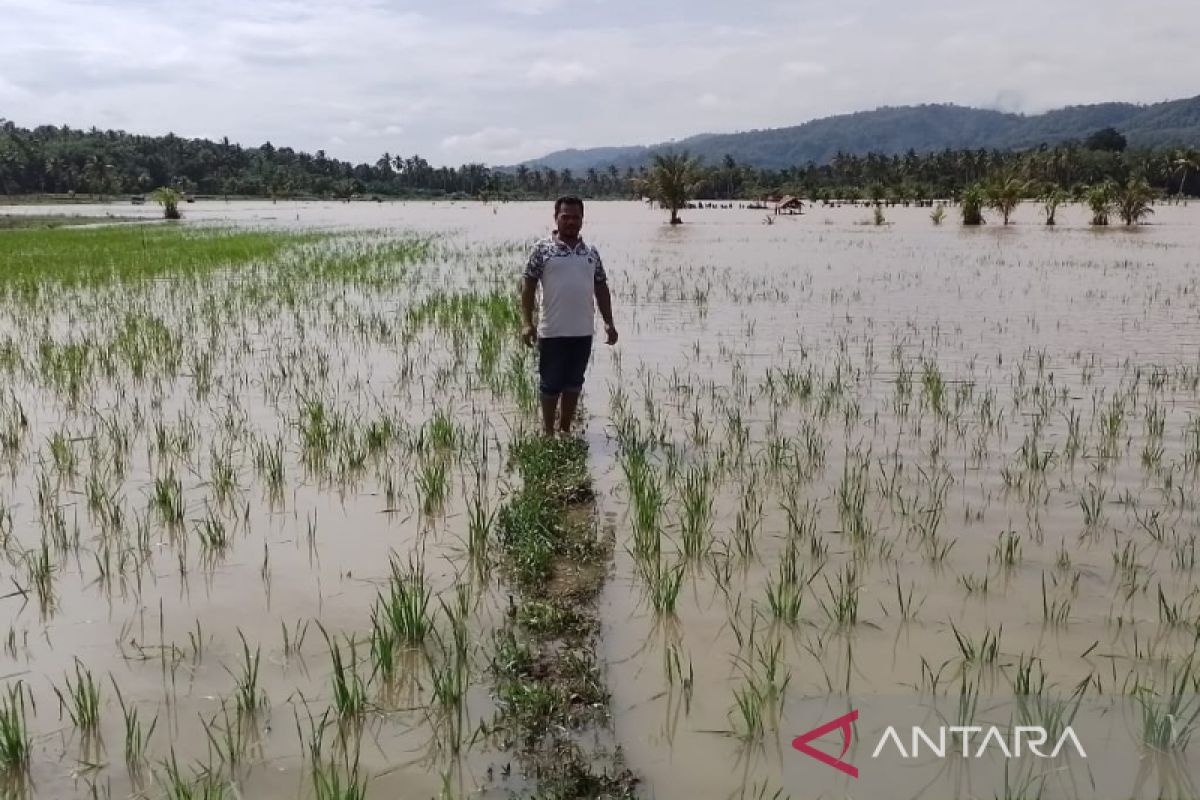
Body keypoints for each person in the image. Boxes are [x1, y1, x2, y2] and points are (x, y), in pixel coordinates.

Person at [521, 196, 618, 436]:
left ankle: (564, 429)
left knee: (574, 383)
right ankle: (548, 432)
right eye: (566, 217)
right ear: (556, 218)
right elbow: (528, 285)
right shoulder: (542, 249)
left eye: (576, 217)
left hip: (583, 331)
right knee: (550, 384)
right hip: (552, 331)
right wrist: (527, 323)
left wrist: (609, 322)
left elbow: (601, 288)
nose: (571, 222)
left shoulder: (591, 252)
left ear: (582, 219)